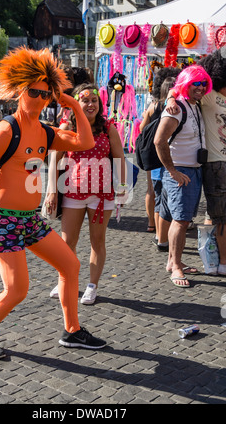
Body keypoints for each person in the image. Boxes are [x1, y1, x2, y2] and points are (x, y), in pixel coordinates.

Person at [0, 47, 107, 359]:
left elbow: (85, 142)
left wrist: (73, 106)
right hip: (3, 220)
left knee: (70, 265)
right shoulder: (6, 128)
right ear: (19, 91)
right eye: (34, 92)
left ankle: (72, 331)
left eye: (46, 94)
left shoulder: (43, 130)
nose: (39, 99)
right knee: (17, 289)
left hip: (30, 219)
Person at [45, 83, 127, 305]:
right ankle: (64, 281)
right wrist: (51, 191)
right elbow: (54, 160)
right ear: (75, 103)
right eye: (85, 100)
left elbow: (119, 158)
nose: (90, 104)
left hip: (102, 196)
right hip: (72, 192)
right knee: (66, 243)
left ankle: (92, 286)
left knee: (97, 242)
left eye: (94, 101)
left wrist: (123, 187)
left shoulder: (108, 128)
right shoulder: (66, 127)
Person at [167, 51, 226, 275]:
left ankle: (210, 260)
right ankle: (220, 264)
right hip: (209, 164)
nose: (201, 86)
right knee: (216, 217)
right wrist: (171, 98)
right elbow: (182, 84)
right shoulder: (208, 96)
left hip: (212, 165)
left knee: (212, 215)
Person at [154, 65, 213, 287]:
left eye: (203, 83)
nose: (200, 87)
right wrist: (172, 171)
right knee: (181, 220)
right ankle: (176, 267)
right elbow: (159, 141)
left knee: (180, 217)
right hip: (182, 171)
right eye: (195, 83)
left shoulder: (193, 104)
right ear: (186, 84)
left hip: (192, 170)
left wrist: (171, 94)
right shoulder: (176, 108)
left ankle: (173, 261)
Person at [140, 69, 179, 243]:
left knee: (153, 192)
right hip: (170, 156)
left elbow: (142, 129)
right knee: (169, 196)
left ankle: (153, 228)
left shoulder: (153, 106)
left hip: (154, 157)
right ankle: (165, 232)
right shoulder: (178, 108)